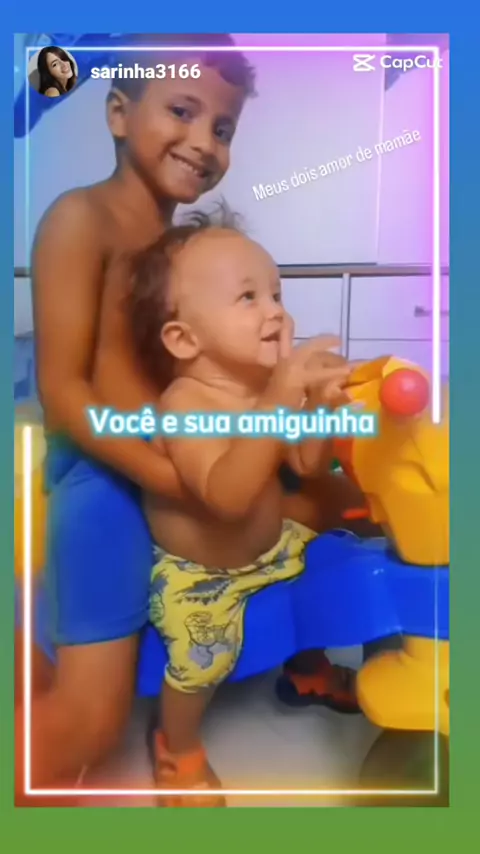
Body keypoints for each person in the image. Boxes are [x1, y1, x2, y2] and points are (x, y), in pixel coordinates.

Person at [15, 33, 360, 806]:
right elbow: (63, 392)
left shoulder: (190, 245)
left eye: (223, 127)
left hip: (200, 448)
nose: (204, 140)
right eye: (181, 111)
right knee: (91, 723)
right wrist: (169, 476)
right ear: (117, 113)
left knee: (337, 505)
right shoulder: (80, 219)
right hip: (111, 472)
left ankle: (304, 658)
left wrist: (289, 392)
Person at [127, 212, 354, 806]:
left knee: (322, 577)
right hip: (201, 576)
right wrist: (281, 396)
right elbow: (226, 497)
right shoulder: (185, 404)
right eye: (249, 297)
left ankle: (306, 672)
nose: (274, 312)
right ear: (184, 340)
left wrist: (321, 406)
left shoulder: (262, 389)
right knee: (202, 659)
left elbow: (307, 463)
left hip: (271, 546)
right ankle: (176, 745)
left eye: (277, 294)